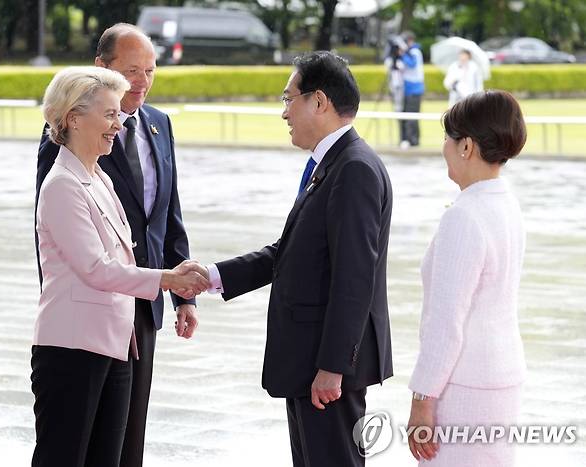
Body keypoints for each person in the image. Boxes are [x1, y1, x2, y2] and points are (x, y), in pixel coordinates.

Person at [196, 51, 394, 466]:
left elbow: (354, 278)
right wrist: (212, 276)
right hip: (311, 361)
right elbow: (291, 253)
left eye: (289, 100)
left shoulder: (353, 169)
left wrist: (333, 367)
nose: (284, 113)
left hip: (326, 368)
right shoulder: (332, 165)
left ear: (318, 101)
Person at [34, 23, 199, 467]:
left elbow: (166, 217)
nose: (118, 124)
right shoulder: (64, 175)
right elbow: (81, 262)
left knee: (120, 445)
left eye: (150, 70)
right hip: (81, 327)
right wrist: (168, 279)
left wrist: (181, 292)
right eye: (132, 71)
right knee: (70, 450)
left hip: (126, 320)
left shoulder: (105, 171)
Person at [406, 90, 527, 466]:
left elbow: (446, 322)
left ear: (467, 147)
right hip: (502, 376)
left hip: (464, 385)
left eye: (448, 138)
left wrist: (422, 400)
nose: (443, 146)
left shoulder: (465, 215)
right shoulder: (505, 201)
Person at [399, 31, 425, 149]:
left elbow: (412, 64)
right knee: (407, 115)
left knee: (412, 116)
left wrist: (403, 54)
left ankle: (413, 140)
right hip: (408, 89)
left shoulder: (415, 52)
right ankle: (408, 139)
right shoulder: (410, 52)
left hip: (415, 89)